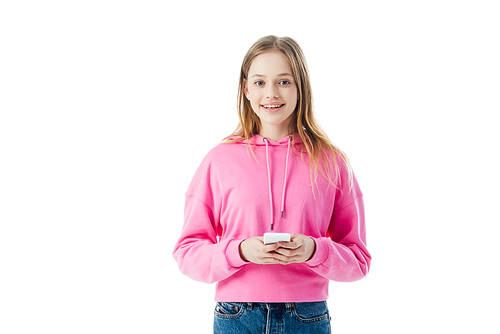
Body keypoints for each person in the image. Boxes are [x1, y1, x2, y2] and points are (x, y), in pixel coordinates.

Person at [173, 35, 371, 334]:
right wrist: (238, 251)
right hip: (236, 316)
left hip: (307, 317)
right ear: (246, 90)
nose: (271, 93)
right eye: (260, 82)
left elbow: (358, 261)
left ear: (300, 87)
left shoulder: (331, 162)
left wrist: (313, 250)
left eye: (284, 81)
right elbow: (187, 253)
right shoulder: (219, 160)